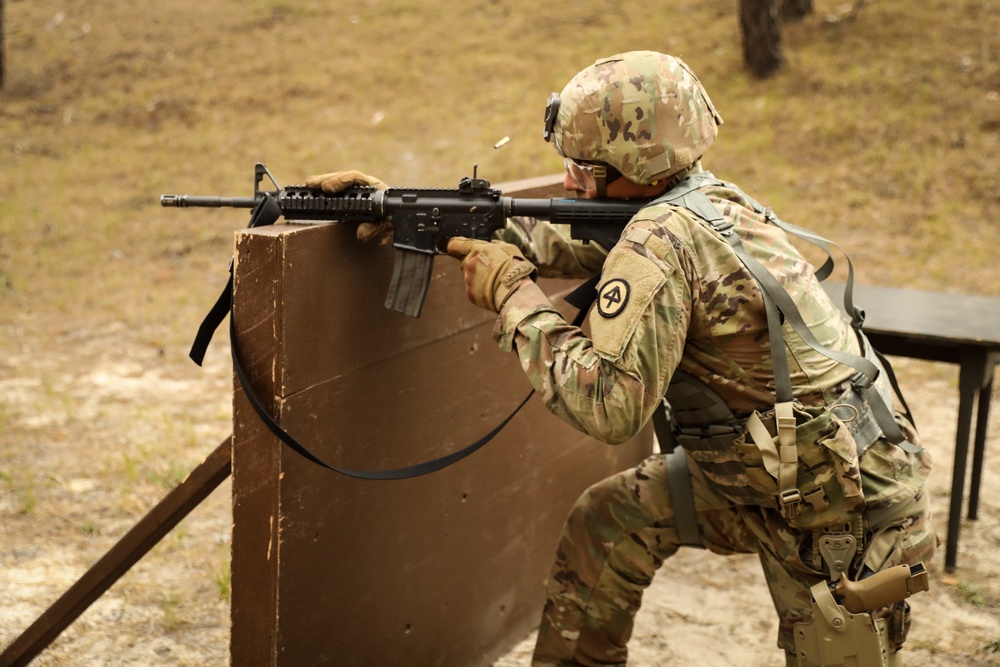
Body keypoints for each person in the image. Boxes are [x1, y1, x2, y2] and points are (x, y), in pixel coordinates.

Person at [306, 51, 936, 667]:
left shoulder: (659, 240)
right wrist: (421, 216)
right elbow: (578, 241)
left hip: (840, 513)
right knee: (607, 525)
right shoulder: (699, 199)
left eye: (585, 165)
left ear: (636, 161)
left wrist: (513, 294)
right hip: (771, 476)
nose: (572, 180)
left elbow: (608, 406)